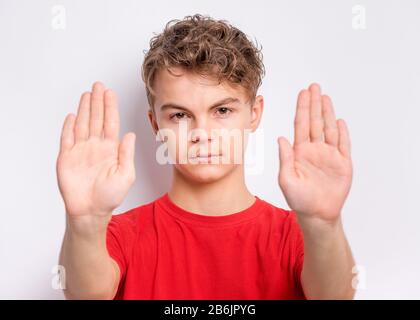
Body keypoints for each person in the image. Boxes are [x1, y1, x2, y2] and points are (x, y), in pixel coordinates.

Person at [56, 14, 355, 300]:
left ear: (254, 113)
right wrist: (84, 222)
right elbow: (86, 294)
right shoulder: (118, 236)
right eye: (180, 115)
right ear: (156, 124)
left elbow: (334, 296)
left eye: (222, 111)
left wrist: (322, 225)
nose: (202, 132)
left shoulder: (297, 234)